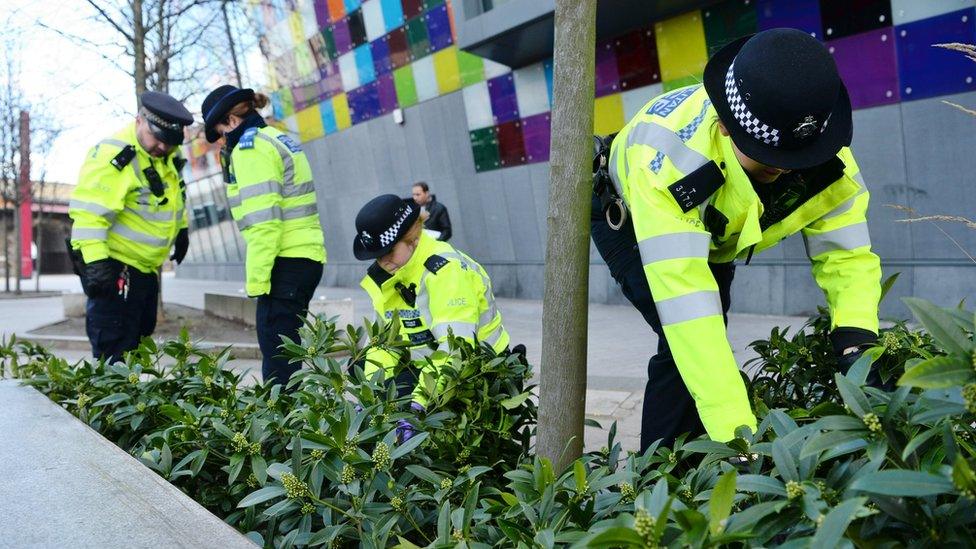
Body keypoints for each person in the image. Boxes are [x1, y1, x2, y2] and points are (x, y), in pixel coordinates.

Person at [591, 28, 882, 452]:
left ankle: (694, 453)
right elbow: (691, 315)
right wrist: (740, 440)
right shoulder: (672, 166)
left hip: (714, 232)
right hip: (629, 215)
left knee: (710, 333)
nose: (784, 170)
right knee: (684, 343)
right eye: (769, 158)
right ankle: (659, 475)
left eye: (794, 159)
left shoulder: (821, 146)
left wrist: (857, 341)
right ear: (725, 126)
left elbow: (848, 256)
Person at [201, 85, 326, 385]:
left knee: (278, 364)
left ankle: (286, 428)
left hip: (284, 262)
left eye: (220, 132)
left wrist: (256, 283)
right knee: (287, 355)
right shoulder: (277, 138)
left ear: (231, 120)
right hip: (305, 257)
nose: (222, 141)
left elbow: (264, 223)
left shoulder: (251, 148)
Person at [68, 91, 193, 363]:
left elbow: (175, 195)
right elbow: (89, 217)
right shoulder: (113, 155)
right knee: (114, 352)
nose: (162, 147)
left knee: (137, 345)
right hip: (116, 270)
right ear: (139, 120)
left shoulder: (169, 155)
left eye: (169, 142)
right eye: (157, 139)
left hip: (146, 273)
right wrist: (97, 266)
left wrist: (181, 229)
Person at [354, 194, 509, 412]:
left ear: (413, 237)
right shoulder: (391, 274)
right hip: (428, 368)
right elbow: (384, 346)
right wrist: (369, 394)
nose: (383, 262)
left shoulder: (447, 270)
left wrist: (419, 402)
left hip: (477, 371)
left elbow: (456, 348)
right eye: (377, 255)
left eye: (388, 251)